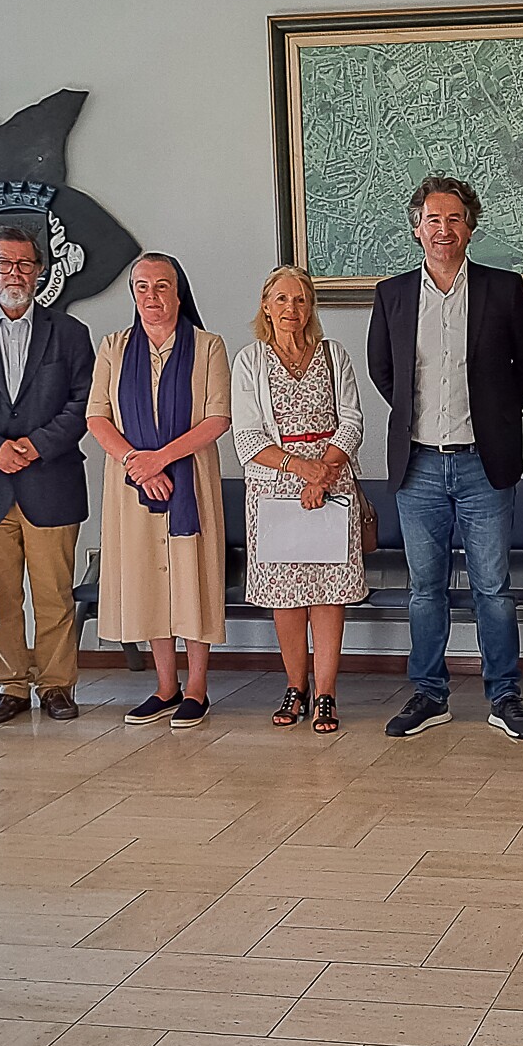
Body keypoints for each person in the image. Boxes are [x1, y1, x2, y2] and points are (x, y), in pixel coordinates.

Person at [366, 177, 523, 741]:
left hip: (482, 464)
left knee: (493, 587)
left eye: (455, 219)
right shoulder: (393, 294)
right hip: (418, 464)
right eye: (433, 219)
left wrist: (495, 417)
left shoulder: (502, 288)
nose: (443, 229)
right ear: (417, 228)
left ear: (471, 227)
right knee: (426, 589)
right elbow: (383, 371)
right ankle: (429, 693)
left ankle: (504, 695)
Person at [0, 225, 95, 725]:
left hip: (51, 480)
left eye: (24, 264)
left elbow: (84, 403)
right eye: (4, 263)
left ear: (40, 272)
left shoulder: (70, 333)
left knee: (54, 594)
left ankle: (56, 685)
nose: (14, 273)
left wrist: (35, 445)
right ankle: (10, 685)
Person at [87, 252, 232, 728]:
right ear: (133, 294)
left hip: (190, 481)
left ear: (179, 292)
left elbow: (218, 418)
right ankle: (166, 686)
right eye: (143, 287)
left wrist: (160, 459)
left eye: (162, 286)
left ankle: (197, 688)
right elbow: (97, 416)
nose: (152, 296)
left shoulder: (208, 346)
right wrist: (138, 463)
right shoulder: (113, 347)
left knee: (193, 578)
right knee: (148, 580)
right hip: (132, 486)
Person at [232, 264, 366, 734]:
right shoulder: (250, 360)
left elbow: (352, 420)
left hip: (332, 484)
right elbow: (247, 438)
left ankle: (326, 693)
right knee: (285, 598)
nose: (292, 308)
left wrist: (322, 473)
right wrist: (300, 468)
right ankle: (296, 687)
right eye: (282, 299)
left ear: (311, 308)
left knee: (329, 595)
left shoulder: (333, 355)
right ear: (266, 307)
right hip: (274, 489)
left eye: (301, 299)